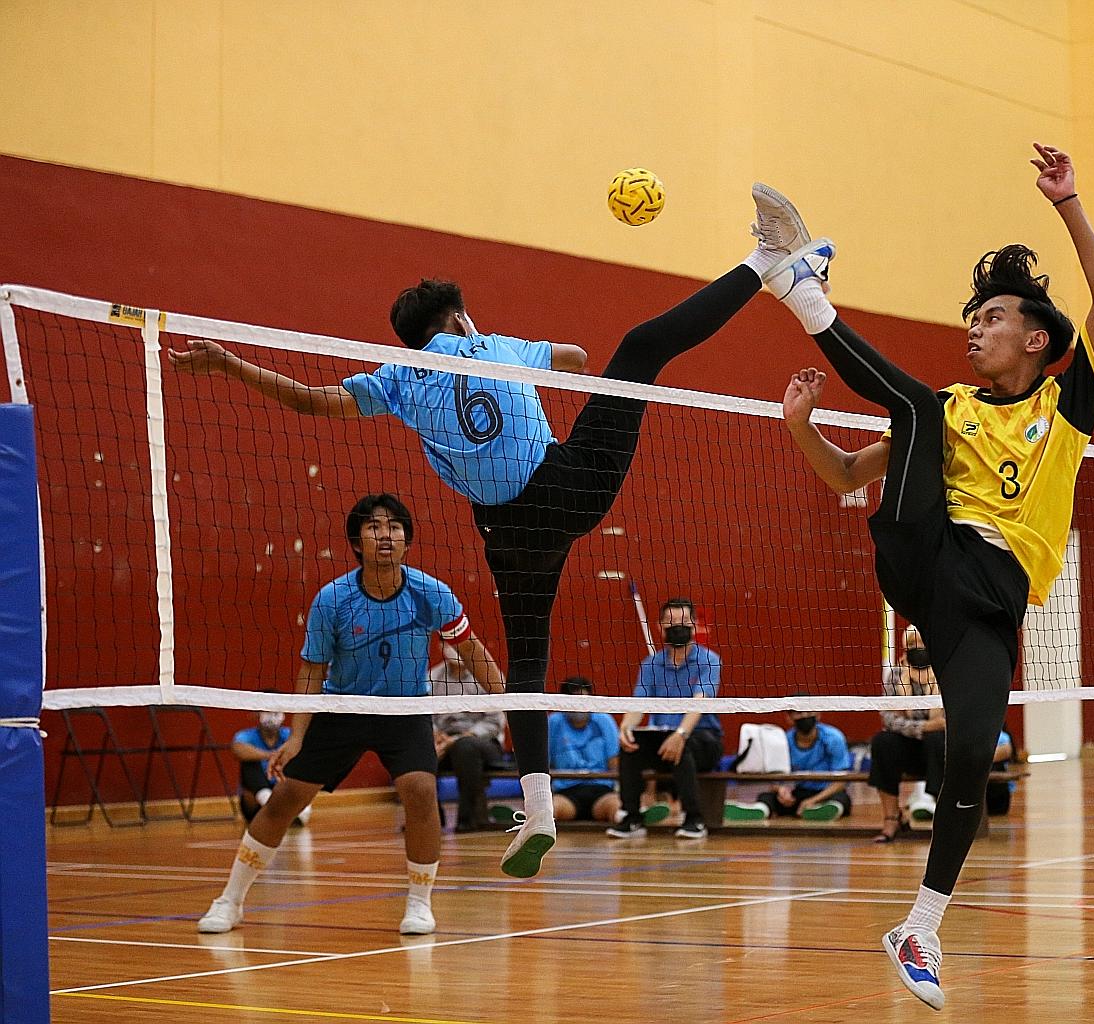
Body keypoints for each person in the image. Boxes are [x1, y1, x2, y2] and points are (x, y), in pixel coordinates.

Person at [169, 184, 817, 878]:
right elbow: (576, 357)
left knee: (527, 665)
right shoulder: (491, 345)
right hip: (564, 487)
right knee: (640, 348)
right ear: (459, 316)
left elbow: (314, 401)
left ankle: (537, 808)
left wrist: (229, 364)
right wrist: (519, 362)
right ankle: (766, 261)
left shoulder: (398, 378)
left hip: (507, 533)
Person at [770, 142, 1094, 1010]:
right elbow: (847, 478)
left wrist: (1067, 202)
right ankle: (801, 290)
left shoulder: (1065, 408)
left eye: (992, 318)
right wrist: (803, 427)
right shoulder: (949, 409)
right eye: (973, 317)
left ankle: (921, 926)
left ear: (1035, 339)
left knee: (973, 753)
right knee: (920, 406)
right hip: (926, 551)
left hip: (989, 607)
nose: (974, 328)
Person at [196, 494, 504, 936]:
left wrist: (508, 700)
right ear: (357, 542)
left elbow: (471, 649)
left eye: (395, 527)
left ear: (407, 541)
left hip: (405, 710)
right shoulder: (333, 599)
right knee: (285, 798)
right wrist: (297, 737)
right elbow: (312, 670)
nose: (386, 535)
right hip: (342, 707)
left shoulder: (431, 593)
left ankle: (419, 904)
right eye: (374, 527)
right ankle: (230, 900)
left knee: (420, 790)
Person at [607, 598, 725, 840]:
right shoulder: (650, 665)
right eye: (671, 622)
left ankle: (694, 819)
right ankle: (632, 818)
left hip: (703, 739)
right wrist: (626, 728)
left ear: (694, 626)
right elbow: (639, 704)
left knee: (683, 746)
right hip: (662, 739)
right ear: (660, 628)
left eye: (683, 622)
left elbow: (700, 702)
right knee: (630, 747)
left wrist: (680, 734)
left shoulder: (709, 660)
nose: (677, 627)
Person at [868, 626, 944, 842]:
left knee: (937, 740)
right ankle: (891, 819)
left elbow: (950, 720)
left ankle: (941, 815)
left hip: (939, 748)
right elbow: (889, 718)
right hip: (909, 746)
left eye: (922, 642)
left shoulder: (947, 671)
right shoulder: (895, 675)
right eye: (912, 644)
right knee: (882, 742)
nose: (917, 648)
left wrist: (929, 727)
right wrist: (924, 727)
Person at [726, 705, 853, 821]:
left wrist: (813, 800)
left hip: (827, 793)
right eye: (799, 713)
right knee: (767, 797)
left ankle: (827, 810)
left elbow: (841, 781)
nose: (805, 716)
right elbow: (775, 778)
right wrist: (781, 790)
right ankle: (760, 810)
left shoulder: (834, 738)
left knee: (842, 799)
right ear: (789, 718)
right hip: (800, 792)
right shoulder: (784, 741)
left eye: (809, 711)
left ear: (818, 714)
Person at [431, 643, 509, 833]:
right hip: (444, 742)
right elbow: (425, 716)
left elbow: (494, 723)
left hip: (483, 744)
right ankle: (431, 818)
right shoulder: (432, 677)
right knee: (418, 750)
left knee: (465, 747)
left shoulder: (487, 674)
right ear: (441, 646)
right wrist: (435, 736)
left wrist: (457, 739)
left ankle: (468, 819)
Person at [548, 676, 622, 824]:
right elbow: (546, 763)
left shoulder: (604, 720)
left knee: (616, 807)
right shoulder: (554, 722)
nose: (579, 707)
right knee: (551, 810)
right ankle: (525, 818)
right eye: (574, 701)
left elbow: (615, 763)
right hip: (567, 793)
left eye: (583, 700)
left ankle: (632, 816)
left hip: (601, 791)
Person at [230, 706, 309, 827]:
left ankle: (301, 809)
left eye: (276, 712)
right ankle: (268, 801)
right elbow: (237, 749)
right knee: (249, 764)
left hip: (283, 789)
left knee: (296, 761)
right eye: (267, 712)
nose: (272, 716)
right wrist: (271, 756)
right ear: (257, 714)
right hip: (255, 803)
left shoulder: (289, 735)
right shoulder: (246, 736)